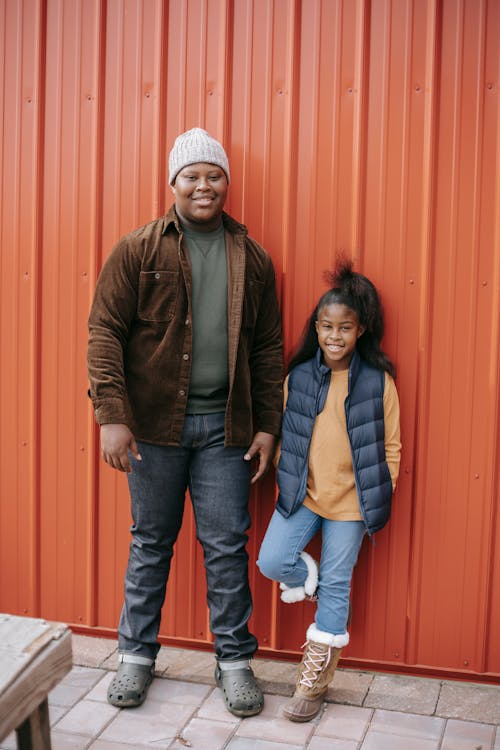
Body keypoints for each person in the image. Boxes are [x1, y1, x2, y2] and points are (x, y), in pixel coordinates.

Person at [87, 127, 283, 717]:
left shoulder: (252, 257)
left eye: (214, 174)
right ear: (173, 182)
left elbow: (268, 348)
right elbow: (104, 334)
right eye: (192, 175)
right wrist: (111, 417)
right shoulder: (139, 249)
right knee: (151, 542)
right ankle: (136, 658)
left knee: (226, 546)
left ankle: (234, 662)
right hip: (152, 429)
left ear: (227, 182)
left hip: (227, 429)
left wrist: (267, 425)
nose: (204, 185)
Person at [257, 258, 401, 722]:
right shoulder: (298, 377)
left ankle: (312, 682)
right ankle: (312, 584)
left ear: (361, 331)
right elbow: (283, 433)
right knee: (272, 560)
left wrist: (379, 491)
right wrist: (285, 470)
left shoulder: (378, 383)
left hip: (352, 506)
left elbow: (391, 448)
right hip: (304, 495)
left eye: (345, 328)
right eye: (326, 326)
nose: (334, 336)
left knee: (339, 584)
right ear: (315, 329)